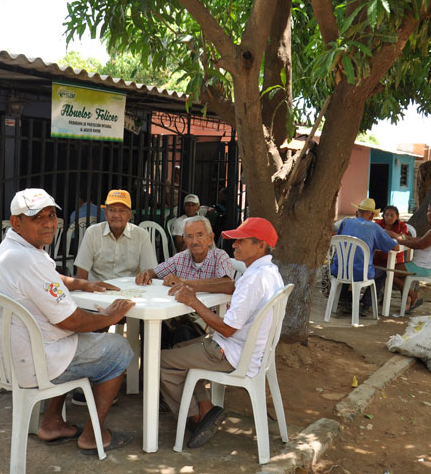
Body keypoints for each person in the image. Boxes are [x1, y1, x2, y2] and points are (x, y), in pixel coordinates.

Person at [0, 188, 136, 453]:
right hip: (38, 361)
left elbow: (52, 279)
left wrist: (85, 284)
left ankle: (52, 423)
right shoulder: (27, 259)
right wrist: (110, 316)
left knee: (77, 338)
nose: (49, 223)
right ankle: (93, 435)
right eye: (38, 217)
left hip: (15, 355)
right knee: (120, 349)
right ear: (17, 222)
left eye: (51, 215)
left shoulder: (14, 247)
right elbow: (71, 320)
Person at [159, 217, 283, 448]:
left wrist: (194, 302)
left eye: (241, 241)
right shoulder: (270, 272)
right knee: (178, 349)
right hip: (246, 349)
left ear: (261, 245)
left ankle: (195, 419)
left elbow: (227, 328)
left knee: (159, 363)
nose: (234, 245)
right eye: (234, 241)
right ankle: (206, 409)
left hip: (232, 352)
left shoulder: (253, 279)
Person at [135, 215, 235, 294]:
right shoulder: (180, 258)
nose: (194, 241)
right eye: (189, 236)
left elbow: (229, 285)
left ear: (210, 238)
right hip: (184, 313)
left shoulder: (220, 256)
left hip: (212, 314)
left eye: (200, 235)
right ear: (185, 241)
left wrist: (185, 283)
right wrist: (146, 274)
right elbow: (154, 272)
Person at [331, 198, 399, 313]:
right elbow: (395, 247)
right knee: (382, 273)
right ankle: (365, 305)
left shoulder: (345, 222)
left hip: (338, 269)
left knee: (348, 264)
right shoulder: (375, 228)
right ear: (372, 215)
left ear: (358, 212)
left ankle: (344, 300)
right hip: (360, 273)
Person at [73, 189, 157, 281]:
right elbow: (81, 274)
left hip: (130, 292)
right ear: (105, 213)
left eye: (121, 211)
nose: (116, 215)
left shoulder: (141, 235)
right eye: (112, 210)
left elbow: (149, 273)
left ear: (129, 215)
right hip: (98, 290)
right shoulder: (92, 233)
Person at [394, 200, 431, 312]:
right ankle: (408, 301)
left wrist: (399, 241)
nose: (427, 214)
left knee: (390, 272)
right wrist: (406, 238)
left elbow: (419, 244)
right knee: (400, 271)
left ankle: (412, 294)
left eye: (428, 211)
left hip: (425, 267)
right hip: (430, 266)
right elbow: (423, 240)